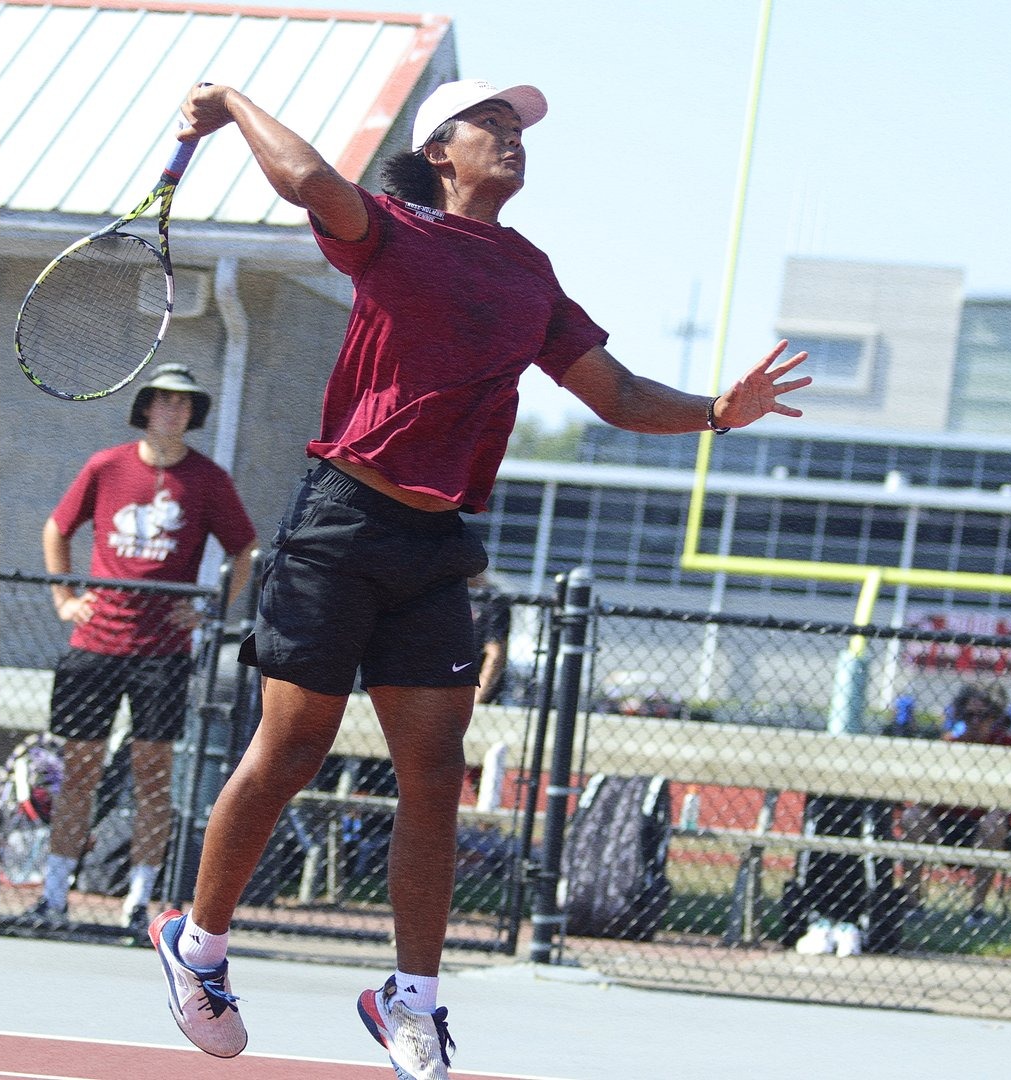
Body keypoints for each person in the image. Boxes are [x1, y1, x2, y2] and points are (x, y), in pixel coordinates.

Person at [147, 77, 809, 1075]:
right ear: (439, 152)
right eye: (489, 128)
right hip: (339, 521)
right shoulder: (391, 232)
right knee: (290, 754)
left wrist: (718, 411)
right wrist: (234, 101)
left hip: (435, 544)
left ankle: (410, 999)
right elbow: (308, 177)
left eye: (518, 131)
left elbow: (618, 394)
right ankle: (197, 949)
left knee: (435, 775)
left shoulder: (530, 274)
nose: (511, 141)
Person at [25, 364, 257, 936]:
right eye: (164, 402)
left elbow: (244, 550)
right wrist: (65, 596)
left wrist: (208, 609)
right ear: (146, 408)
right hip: (95, 644)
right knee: (79, 770)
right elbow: (58, 528)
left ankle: (138, 902)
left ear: (191, 414)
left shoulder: (207, 479)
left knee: (152, 774)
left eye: (184, 404)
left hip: (163, 649)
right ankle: (54, 896)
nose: (174, 412)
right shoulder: (106, 466)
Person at [901, 682, 1011, 927]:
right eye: (969, 716)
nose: (975, 722)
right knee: (912, 816)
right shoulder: (951, 745)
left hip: (984, 826)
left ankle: (976, 910)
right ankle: (913, 904)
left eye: (983, 715)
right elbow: (926, 794)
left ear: (995, 715)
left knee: (995, 819)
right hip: (946, 824)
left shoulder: (1010, 747)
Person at [468, 573, 511, 706]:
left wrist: (478, 696)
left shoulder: (493, 601)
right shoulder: (450, 597)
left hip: (475, 692)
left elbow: (495, 654)